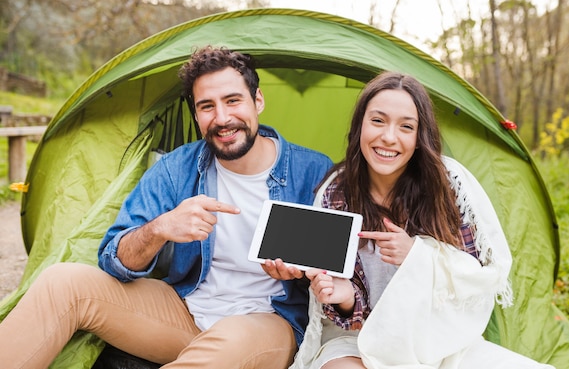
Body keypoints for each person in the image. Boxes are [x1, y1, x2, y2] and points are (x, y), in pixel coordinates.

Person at [0, 45, 333, 369]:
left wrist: (303, 273)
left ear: (257, 100)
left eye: (233, 101)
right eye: (207, 106)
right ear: (195, 114)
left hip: (269, 321)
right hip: (184, 311)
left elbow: (341, 274)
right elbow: (114, 260)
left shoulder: (313, 171)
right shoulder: (177, 168)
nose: (222, 118)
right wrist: (160, 229)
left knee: (231, 341)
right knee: (63, 282)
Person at [277, 72, 555, 369]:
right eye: (378, 121)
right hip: (358, 340)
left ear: (420, 137)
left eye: (406, 126)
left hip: (437, 341)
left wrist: (416, 255)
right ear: (360, 126)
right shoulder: (337, 192)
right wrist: (344, 297)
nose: (388, 137)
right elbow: (337, 300)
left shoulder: (448, 185)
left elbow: (479, 277)